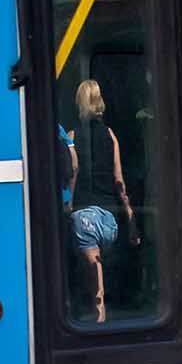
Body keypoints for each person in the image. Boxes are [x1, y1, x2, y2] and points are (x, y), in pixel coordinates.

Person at [59, 75, 133, 321]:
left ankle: (98, 311)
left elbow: (73, 171)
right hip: (109, 218)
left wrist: (68, 205)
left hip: (85, 216)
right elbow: (119, 179)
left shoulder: (71, 136)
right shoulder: (111, 136)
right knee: (99, 261)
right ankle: (100, 304)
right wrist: (131, 218)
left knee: (90, 266)